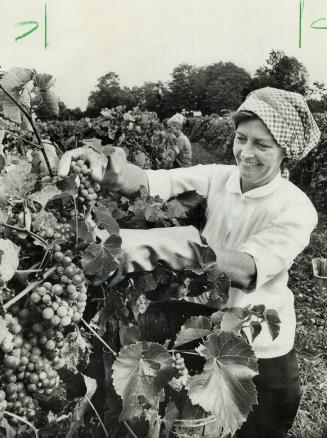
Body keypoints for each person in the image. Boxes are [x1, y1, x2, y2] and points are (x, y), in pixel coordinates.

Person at [58, 87, 320, 438]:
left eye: (262, 145)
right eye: (241, 138)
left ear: (286, 151)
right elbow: (153, 181)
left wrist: (170, 245)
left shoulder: (297, 208)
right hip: (207, 338)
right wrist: (110, 171)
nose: (246, 152)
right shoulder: (219, 177)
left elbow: (247, 268)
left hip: (260, 358)